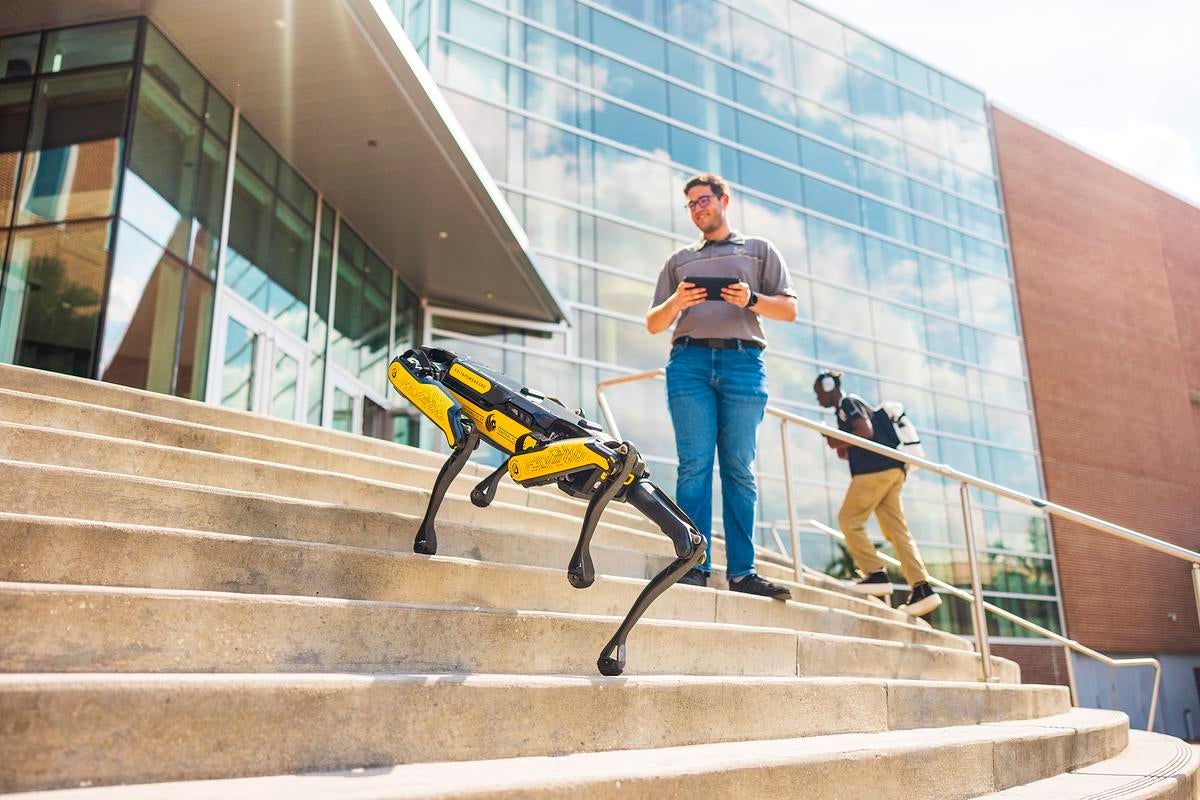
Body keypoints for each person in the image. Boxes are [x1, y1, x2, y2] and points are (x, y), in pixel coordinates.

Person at [646, 173, 798, 600]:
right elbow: (653, 322)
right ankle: (693, 564)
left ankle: (743, 573)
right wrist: (678, 301)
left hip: (743, 363)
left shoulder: (759, 250)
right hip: (689, 363)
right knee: (694, 466)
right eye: (691, 204)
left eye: (704, 200)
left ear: (723, 200)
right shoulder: (679, 261)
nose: (699, 208)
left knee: (739, 469)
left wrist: (749, 299)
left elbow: (788, 310)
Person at [813, 370, 941, 617]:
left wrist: (834, 439)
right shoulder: (851, 407)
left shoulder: (847, 404)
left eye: (819, 393)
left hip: (875, 471)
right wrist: (842, 446)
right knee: (896, 530)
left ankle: (875, 573)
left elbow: (865, 432)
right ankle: (922, 588)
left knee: (849, 520)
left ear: (829, 386)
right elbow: (860, 438)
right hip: (893, 469)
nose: (818, 399)